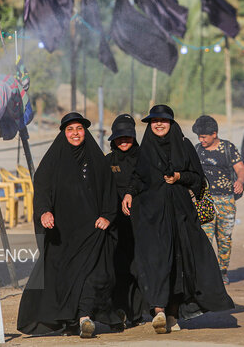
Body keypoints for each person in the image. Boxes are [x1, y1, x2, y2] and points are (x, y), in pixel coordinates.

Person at [122, 105, 234, 334]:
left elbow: (198, 178)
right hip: (152, 218)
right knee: (156, 261)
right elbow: (137, 178)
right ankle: (159, 311)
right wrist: (129, 193)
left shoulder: (183, 146)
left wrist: (179, 176)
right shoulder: (145, 150)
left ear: (171, 123)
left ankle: (173, 313)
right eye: (154, 121)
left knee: (180, 263)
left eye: (163, 120)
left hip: (181, 216)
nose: (159, 124)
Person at [17, 112, 121, 338]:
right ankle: (71, 320)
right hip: (62, 231)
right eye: (70, 129)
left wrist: (107, 215)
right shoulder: (54, 159)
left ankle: (85, 316)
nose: (75, 133)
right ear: (64, 133)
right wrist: (44, 211)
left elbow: (109, 191)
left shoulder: (97, 159)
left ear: (85, 131)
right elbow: (42, 187)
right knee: (64, 276)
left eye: (79, 129)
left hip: (93, 228)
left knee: (92, 273)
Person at [191, 115, 244, 285]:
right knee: (204, 238)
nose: (201, 140)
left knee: (224, 238)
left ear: (214, 134)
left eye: (204, 137)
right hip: (204, 200)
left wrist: (240, 181)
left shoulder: (228, 148)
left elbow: (241, 168)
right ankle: (205, 273)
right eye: (199, 137)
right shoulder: (197, 150)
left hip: (226, 200)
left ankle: (222, 271)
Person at [105, 114, 145, 327]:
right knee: (119, 268)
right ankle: (119, 311)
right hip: (115, 226)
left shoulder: (144, 158)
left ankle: (137, 314)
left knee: (139, 268)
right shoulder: (107, 161)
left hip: (141, 224)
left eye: (127, 137)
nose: (123, 141)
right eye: (119, 138)